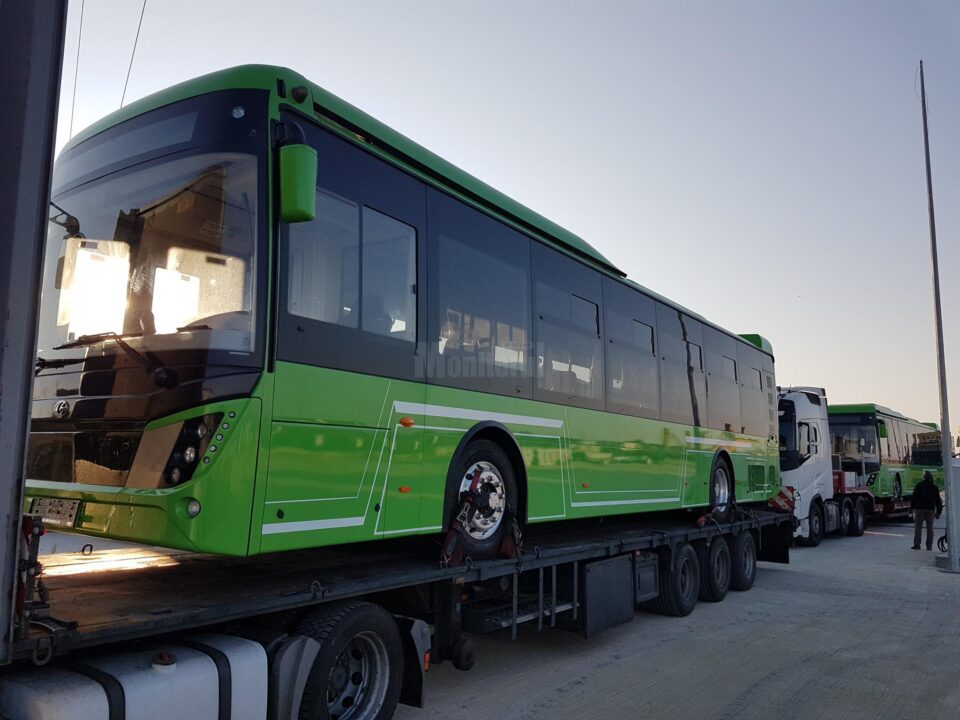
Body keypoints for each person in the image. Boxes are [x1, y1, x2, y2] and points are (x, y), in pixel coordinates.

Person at [911, 470, 943, 550]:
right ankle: (929, 546)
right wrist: (939, 512)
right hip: (930, 510)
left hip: (919, 509)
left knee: (918, 527)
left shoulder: (919, 485)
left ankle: (917, 544)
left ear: (924, 477)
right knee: (930, 528)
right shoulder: (934, 487)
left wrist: (912, 508)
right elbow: (938, 500)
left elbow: (914, 497)